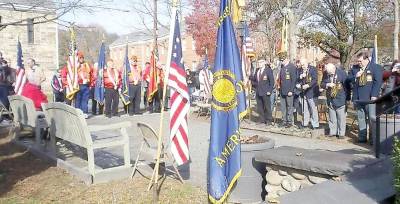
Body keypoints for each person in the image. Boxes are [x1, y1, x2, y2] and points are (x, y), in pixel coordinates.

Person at [348, 51, 383, 143]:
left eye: (360, 61)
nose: (358, 63)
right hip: (359, 98)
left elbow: (378, 82)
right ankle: (362, 137)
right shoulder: (355, 69)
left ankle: (372, 139)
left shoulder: (375, 67)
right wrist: (355, 76)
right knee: (361, 118)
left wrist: (374, 95)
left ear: (367, 59)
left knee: (371, 119)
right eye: (358, 61)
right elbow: (348, 79)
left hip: (370, 98)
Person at [321, 63, 347, 138]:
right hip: (330, 98)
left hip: (340, 98)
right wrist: (327, 84)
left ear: (334, 68)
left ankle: (341, 133)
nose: (329, 74)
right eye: (328, 73)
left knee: (341, 118)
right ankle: (332, 132)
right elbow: (322, 84)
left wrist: (346, 98)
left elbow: (347, 86)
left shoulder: (342, 73)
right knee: (332, 117)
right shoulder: (326, 73)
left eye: (331, 72)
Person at [297, 58, 319, 129]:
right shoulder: (300, 70)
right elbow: (298, 80)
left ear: (307, 63)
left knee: (313, 109)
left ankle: (315, 124)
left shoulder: (312, 69)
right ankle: (305, 123)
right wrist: (300, 80)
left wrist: (308, 85)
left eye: (303, 64)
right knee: (305, 109)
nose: (302, 66)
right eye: (301, 65)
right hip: (303, 92)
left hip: (312, 92)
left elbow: (315, 80)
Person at [278, 53, 297, 128]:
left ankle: (289, 121)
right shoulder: (282, 67)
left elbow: (293, 80)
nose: (281, 61)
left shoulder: (292, 67)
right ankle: (284, 120)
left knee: (289, 106)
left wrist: (291, 90)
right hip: (282, 90)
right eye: (281, 60)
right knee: (283, 106)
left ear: (286, 59)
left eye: (282, 60)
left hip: (289, 91)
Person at [75, 51, 94, 118]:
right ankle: (77, 112)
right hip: (78, 85)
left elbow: (91, 74)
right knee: (78, 99)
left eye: (82, 58)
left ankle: (84, 112)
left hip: (86, 85)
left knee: (85, 99)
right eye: (80, 58)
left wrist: (91, 84)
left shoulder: (87, 65)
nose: (81, 59)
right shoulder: (75, 66)